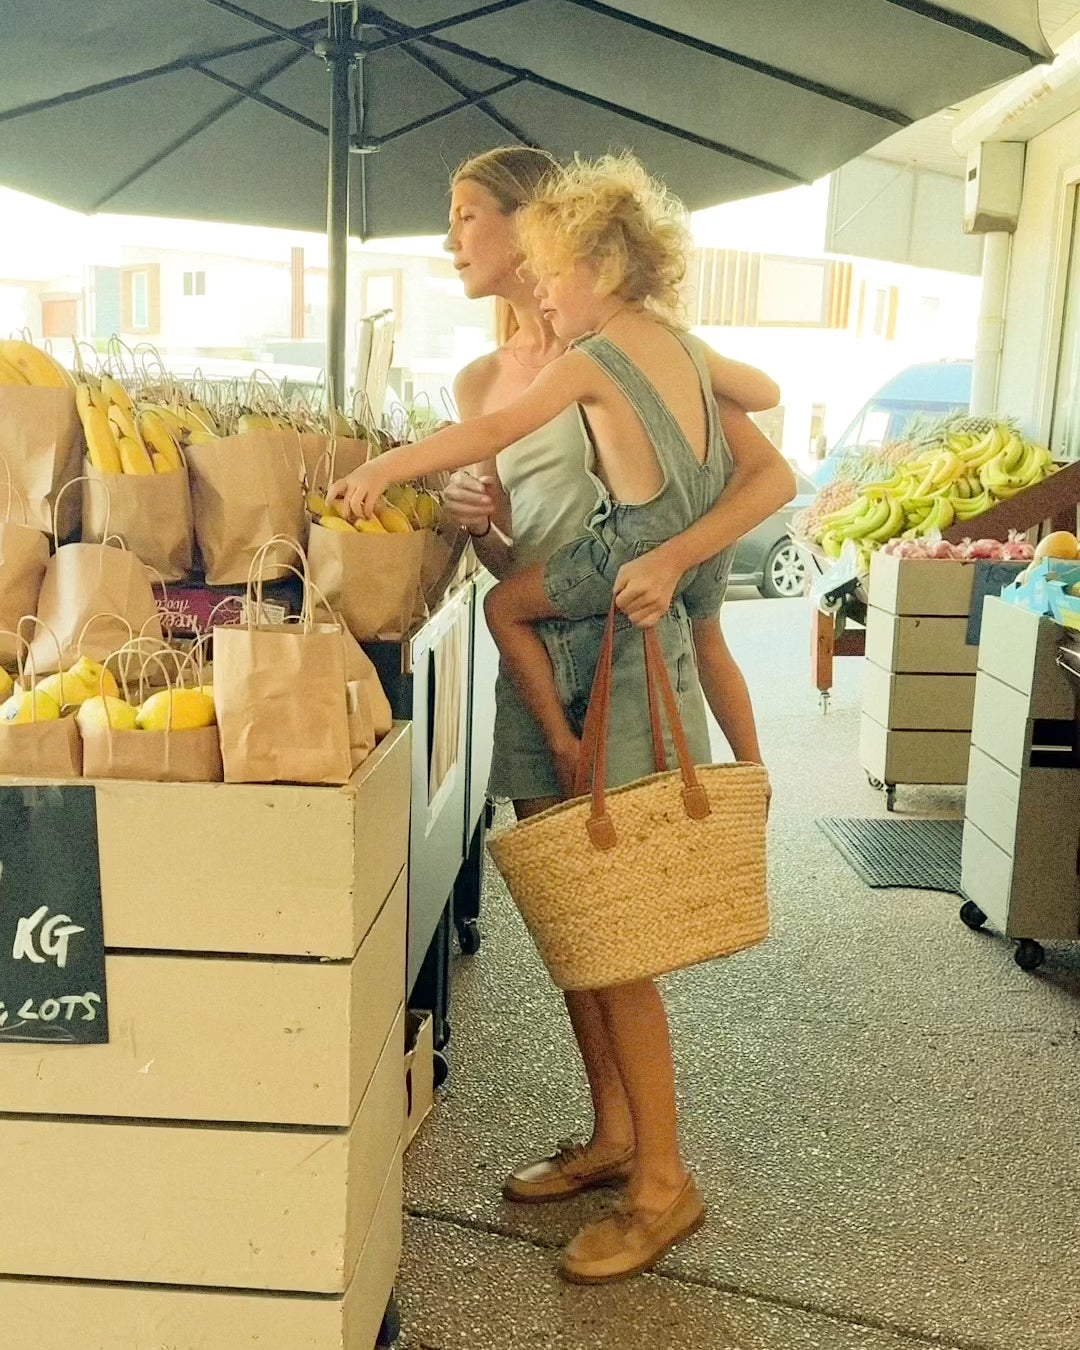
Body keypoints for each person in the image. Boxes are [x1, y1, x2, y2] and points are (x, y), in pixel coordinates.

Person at [335, 147, 795, 1284]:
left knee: (620, 936)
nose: (533, 286)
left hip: (615, 651)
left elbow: (766, 459)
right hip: (568, 634)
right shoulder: (634, 352)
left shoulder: (605, 355)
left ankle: (664, 1183)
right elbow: (501, 505)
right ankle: (618, 1140)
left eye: (538, 258)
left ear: (590, 257)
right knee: (578, 924)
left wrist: (385, 468)